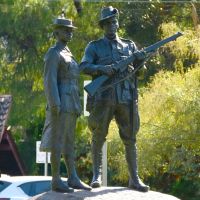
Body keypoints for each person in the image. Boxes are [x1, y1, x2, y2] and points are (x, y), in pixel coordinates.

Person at [80, 6, 149, 192]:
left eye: (113, 22)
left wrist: (141, 61)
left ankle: (134, 179)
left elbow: (139, 73)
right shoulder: (94, 46)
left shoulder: (129, 46)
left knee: (130, 137)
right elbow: (83, 66)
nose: (111, 25)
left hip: (126, 96)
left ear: (117, 24)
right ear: (103, 26)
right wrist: (102, 69)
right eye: (107, 23)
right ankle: (96, 176)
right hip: (103, 97)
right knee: (98, 135)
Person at [40, 16, 91, 193]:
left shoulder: (68, 53)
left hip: (72, 101)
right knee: (58, 140)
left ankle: (73, 177)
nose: (70, 32)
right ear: (57, 32)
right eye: (66, 30)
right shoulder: (53, 53)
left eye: (71, 30)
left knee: (69, 141)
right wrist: (55, 103)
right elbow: (49, 80)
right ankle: (56, 179)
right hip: (60, 101)